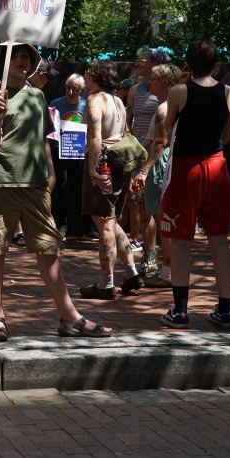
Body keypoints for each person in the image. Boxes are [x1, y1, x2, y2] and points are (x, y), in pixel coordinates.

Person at [0, 42, 112, 340]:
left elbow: (42, 140)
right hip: (1, 181)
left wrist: (50, 173)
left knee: (48, 248)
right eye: (16, 56)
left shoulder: (38, 96)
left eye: (27, 56)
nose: (22, 61)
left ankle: (69, 318)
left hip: (36, 183)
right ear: (4, 62)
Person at [156, 41, 230, 329]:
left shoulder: (179, 91)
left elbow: (167, 127)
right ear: (216, 63)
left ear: (188, 63)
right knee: (219, 240)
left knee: (180, 242)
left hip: (186, 169)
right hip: (217, 166)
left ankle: (179, 310)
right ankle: (226, 310)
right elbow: (228, 135)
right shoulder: (228, 92)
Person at [81, 60, 142, 299]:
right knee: (112, 220)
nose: (85, 76)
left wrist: (96, 169)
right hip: (119, 163)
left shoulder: (95, 100)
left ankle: (106, 283)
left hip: (105, 163)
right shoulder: (118, 100)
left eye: (88, 72)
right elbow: (125, 133)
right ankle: (132, 273)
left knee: (104, 223)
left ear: (96, 76)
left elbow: (96, 137)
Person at [131, 64, 182, 288]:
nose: (149, 82)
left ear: (164, 82)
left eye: (153, 79)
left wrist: (145, 170)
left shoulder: (164, 109)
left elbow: (160, 143)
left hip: (160, 164)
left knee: (163, 219)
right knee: (160, 217)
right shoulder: (167, 106)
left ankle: (168, 272)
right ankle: (167, 268)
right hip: (160, 162)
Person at [125, 47, 171, 252]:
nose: (138, 64)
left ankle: (161, 247)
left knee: (157, 203)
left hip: (157, 150)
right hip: (138, 148)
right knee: (135, 199)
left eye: (142, 60)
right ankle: (139, 241)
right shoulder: (135, 89)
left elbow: (163, 132)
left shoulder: (167, 94)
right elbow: (128, 120)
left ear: (156, 63)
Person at [49, 73, 90, 238]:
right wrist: (56, 130)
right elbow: (49, 128)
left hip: (79, 152)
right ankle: (59, 223)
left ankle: (77, 225)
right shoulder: (56, 103)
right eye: (68, 87)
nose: (71, 92)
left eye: (75, 89)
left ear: (81, 90)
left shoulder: (87, 106)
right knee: (60, 188)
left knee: (78, 188)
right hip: (60, 150)